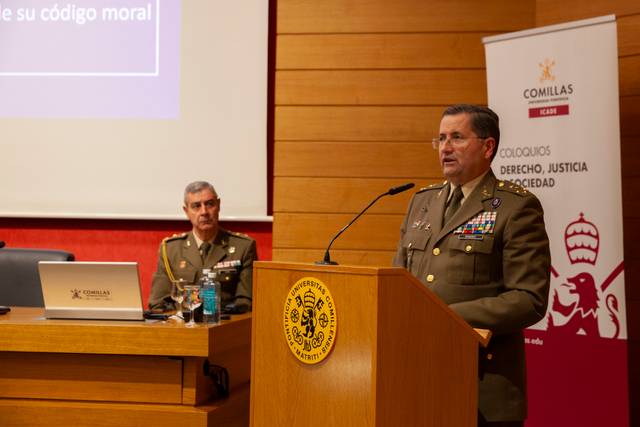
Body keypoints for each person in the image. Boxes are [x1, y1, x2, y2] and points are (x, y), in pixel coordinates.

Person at [393, 104, 550, 427]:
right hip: (419, 378)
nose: (445, 148)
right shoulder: (421, 202)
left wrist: (446, 317)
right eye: (440, 139)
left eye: (456, 138)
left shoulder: (515, 207)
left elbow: (528, 298)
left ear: (487, 146)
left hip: (482, 385)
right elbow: (398, 281)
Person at [148, 181, 257, 312]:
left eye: (209, 204)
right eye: (196, 206)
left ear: (219, 205)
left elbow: (245, 303)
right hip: (182, 327)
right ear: (186, 211)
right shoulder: (170, 249)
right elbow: (158, 303)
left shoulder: (242, 247)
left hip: (224, 326)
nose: (204, 212)